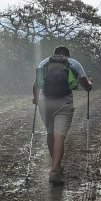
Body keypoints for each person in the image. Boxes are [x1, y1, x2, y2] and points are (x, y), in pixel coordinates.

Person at [32, 45, 93, 185]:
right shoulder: (74, 63)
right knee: (59, 135)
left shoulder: (44, 62)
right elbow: (87, 87)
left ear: (53, 55)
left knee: (50, 132)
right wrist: (90, 81)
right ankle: (54, 170)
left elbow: (36, 85)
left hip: (45, 103)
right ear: (68, 55)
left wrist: (36, 99)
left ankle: (56, 166)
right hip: (64, 103)